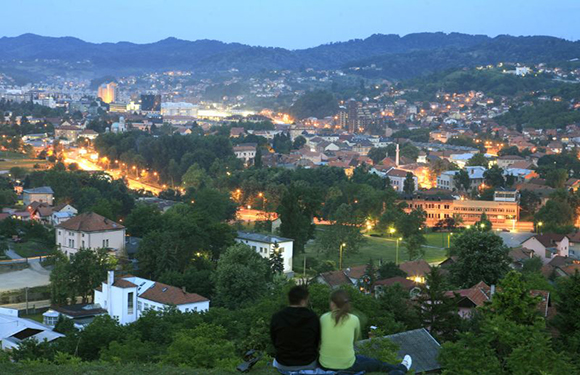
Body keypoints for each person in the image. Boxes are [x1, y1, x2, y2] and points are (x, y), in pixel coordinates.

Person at [319, 290, 412, 374]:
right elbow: (354, 340)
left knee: (362, 358)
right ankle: (402, 368)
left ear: (333, 304)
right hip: (348, 365)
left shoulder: (323, 318)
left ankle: (400, 369)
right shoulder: (353, 319)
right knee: (375, 363)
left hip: (325, 364)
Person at [270, 285, 321, 372]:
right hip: (308, 363)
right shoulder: (312, 317)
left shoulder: (277, 317)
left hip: (283, 363)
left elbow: (274, 340)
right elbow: (317, 341)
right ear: (303, 300)